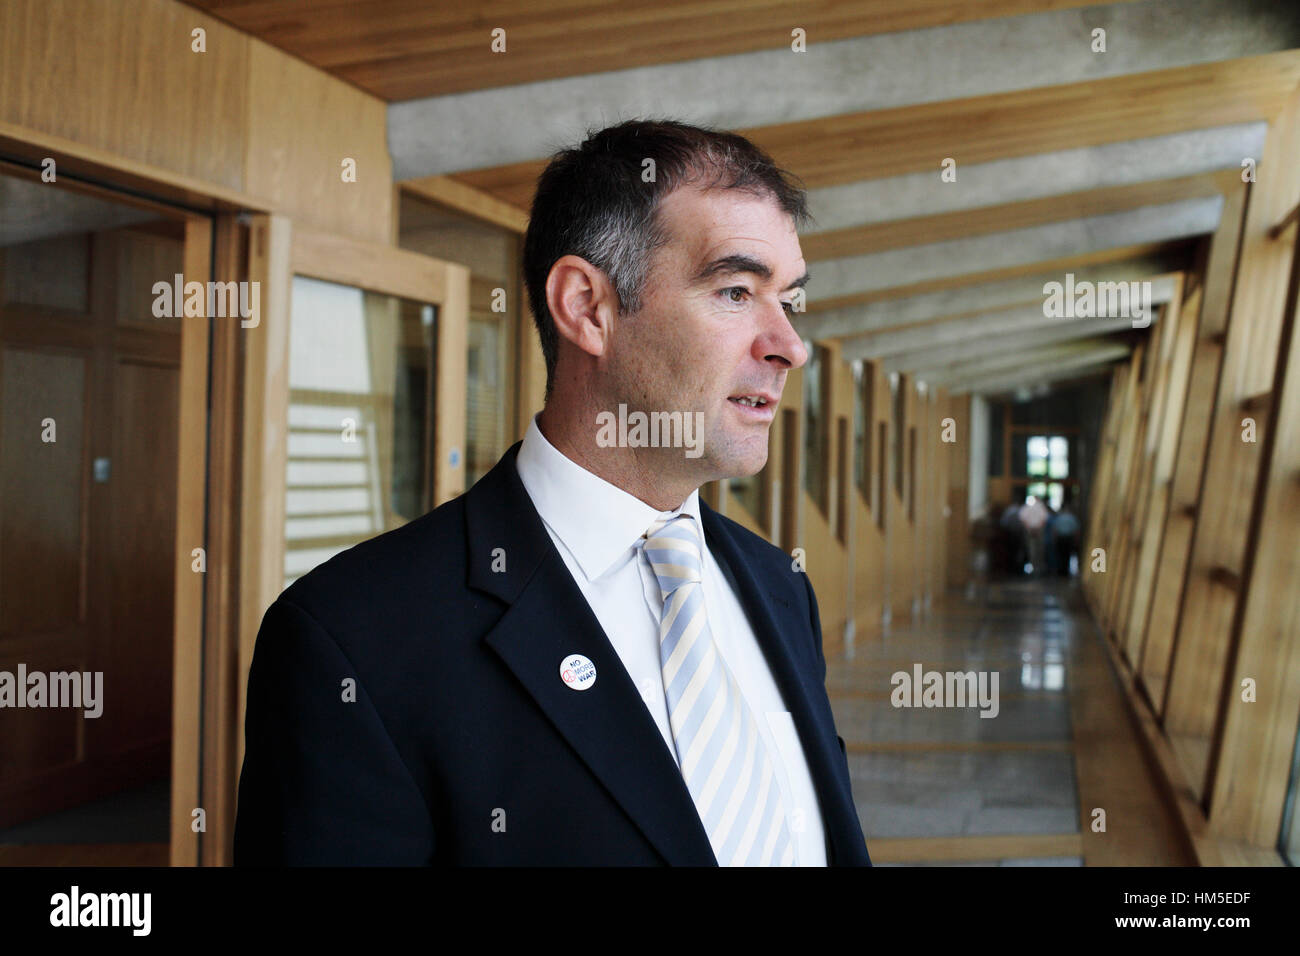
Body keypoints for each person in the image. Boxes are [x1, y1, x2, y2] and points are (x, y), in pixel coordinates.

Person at [233, 119, 871, 866]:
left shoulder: (778, 585)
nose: (789, 345)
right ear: (587, 307)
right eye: (736, 291)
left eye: (789, 298)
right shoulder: (353, 641)